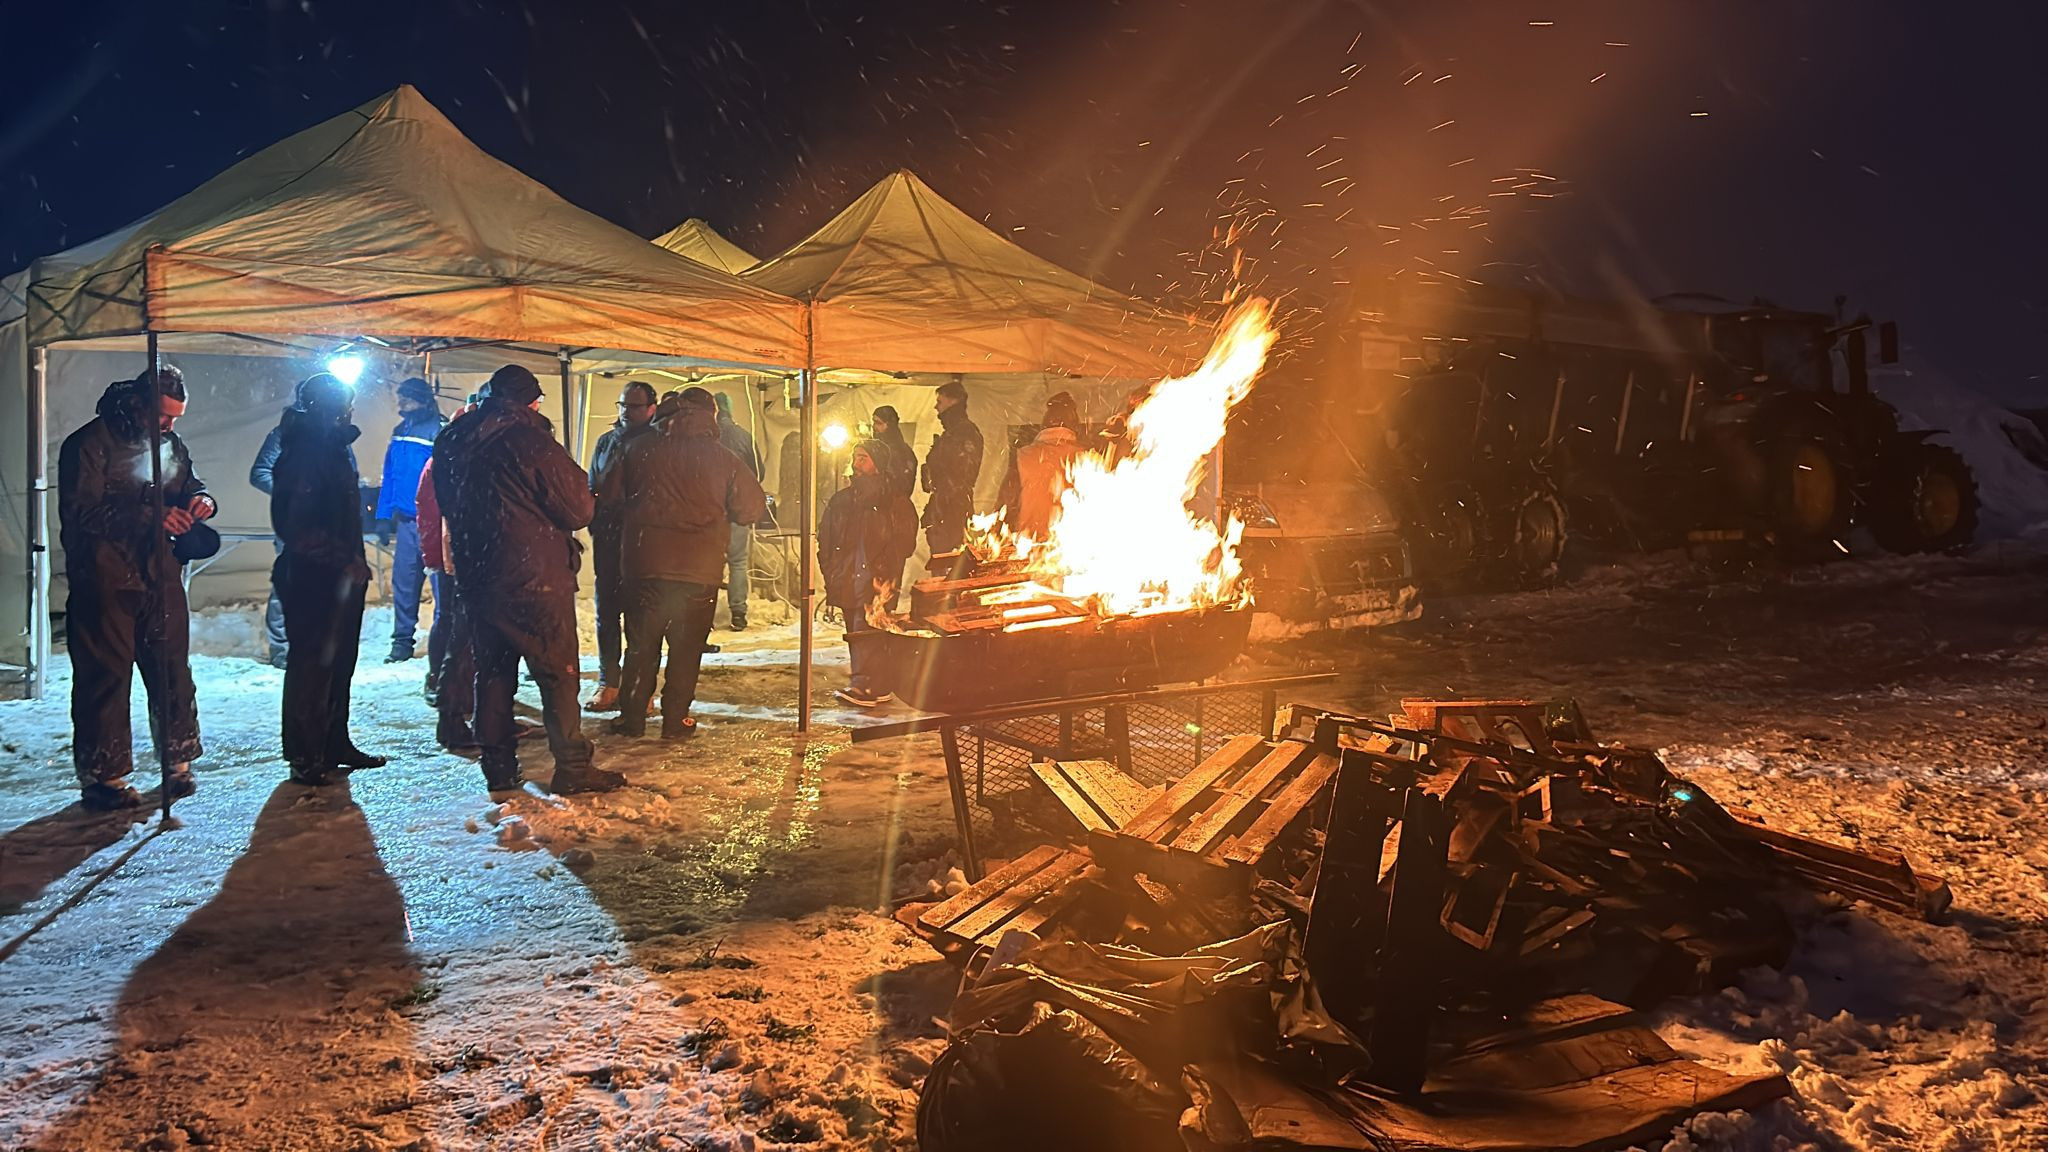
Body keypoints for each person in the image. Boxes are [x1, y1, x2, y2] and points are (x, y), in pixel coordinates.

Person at [434, 364, 621, 794]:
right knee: (557, 675)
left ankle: (498, 768)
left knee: (493, 674)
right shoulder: (531, 441)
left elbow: (447, 501)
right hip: (534, 578)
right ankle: (572, 768)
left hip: (479, 574)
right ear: (532, 402)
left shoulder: (453, 438)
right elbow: (578, 509)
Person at [58, 366, 217, 810]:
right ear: (137, 403)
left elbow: (190, 484)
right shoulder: (89, 444)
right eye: (163, 415)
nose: (169, 425)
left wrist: (201, 500)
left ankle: (178, 760)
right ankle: (104, 777)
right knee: (106, 675)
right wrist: (151, 516)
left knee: (172, 668)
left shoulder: (169, 444)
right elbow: (82, 514)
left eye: (176, 417)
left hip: (159, 572)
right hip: (105, 577)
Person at [613, 387, 766, 740]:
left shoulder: (637, 448)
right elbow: (750, 509)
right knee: (686, 650)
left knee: (641, 646)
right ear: (711, 416)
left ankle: (631, 717)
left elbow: (607, 495)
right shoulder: (723, 458)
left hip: (645, 565)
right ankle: (675, 719)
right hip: (699, 570)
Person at [272, 372, 386, 786]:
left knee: (338, 663)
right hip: (313, 577)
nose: (350, 413)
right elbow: (296, 525)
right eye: (345, 406)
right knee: (312, 666)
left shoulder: (332, 448)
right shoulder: (306, 451)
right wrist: (344, 559)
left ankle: (333, 742)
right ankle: (306, 753)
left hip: (338, 576)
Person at [251, 377, 360, 670]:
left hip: (335, 532)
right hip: (301, 528)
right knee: (292, 586)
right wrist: (296, 496)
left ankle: (323, 649)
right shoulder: (290, 436)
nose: (349, 411)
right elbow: (260, 472)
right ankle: (282, 647)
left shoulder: (336, 439)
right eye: (344, 406)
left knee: (328, 595)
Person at [821, 441, 918, 709]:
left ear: (878, 463)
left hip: (877, 581)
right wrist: (830, 568)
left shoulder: (895, 502)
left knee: (871, 631)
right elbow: (826, 538)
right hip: (846, 576)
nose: (856, 464)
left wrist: (885, 568)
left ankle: (866, 686)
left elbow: (906, 544)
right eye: (855, 457)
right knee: (855, 630)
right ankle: (874, 685)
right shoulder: (842, 500)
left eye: (863, 458)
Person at [585, 381, 659, 711]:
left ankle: (638, 688)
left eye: (634, 406)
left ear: (651, 409)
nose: (626, 412)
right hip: (609, 541)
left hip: (644, 543)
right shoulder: (607, 441)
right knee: (607, 613)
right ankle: (609, 682)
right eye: (622, 405)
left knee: (640, 619)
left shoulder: (658, 444)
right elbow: (593, 485)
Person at [374, 376, 447, 663]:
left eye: (406, 397)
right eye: (400, 397)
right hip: (406, 522)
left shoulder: (439, 431)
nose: (400, 403)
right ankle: (402, 642)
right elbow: (390, 475)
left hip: (435, 523)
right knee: (405, 583)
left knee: (442, 586)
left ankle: (445, 641)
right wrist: (383, 515)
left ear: (422, 400)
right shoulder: (400, 430)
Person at [998, 391, 1088, 540]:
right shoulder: (1088, 458)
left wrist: (998, 535)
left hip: (1029, 544)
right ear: (1074, 425)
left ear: (1044, 425)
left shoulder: (1024, 455)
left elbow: (1006, 501)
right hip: (1073, 545)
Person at [713, 392, 764, 631]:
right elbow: (759, 472)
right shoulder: (744, 436)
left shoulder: (706, 437)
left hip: (710, 511)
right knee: (738, 562)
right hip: (737, 511)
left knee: (709, 563)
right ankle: (738, 614)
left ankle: (705, 614)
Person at [919, 378, 984, 563]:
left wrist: (944, 499)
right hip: (943, 508)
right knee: (941, 561)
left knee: (951, 563)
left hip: (953, 511)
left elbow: (963, 474)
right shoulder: (952, 433)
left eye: (940, 401)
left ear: (953, 401)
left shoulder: (964, 432)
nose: (936, 407)